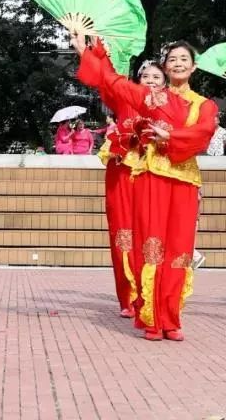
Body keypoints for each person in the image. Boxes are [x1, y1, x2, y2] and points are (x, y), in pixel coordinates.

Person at [74, 36, 217, 341]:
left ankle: (171, 319)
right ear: (166, 67)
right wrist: (86, 50)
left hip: (184, 180)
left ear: (193, 67)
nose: (178, 63)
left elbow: (203, 133)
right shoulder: (150, 98)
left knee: (179, 250)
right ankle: (151, 318)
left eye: (184, 59)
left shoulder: (205, 104)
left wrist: (170, 137)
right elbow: (112, 81)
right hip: (151, 176)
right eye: (173, 59)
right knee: (151, 246)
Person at [79, 49, 166, 318]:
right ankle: (128, 297)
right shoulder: (125, 98)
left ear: (165, 82)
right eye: (146, 75)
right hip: (122, 172)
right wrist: (91, 49)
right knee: (123, 234)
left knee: (151, 235)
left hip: (155, 174)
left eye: (156, 76)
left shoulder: (173, 104)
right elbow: (105, 78)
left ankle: (152, 295)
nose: (150, 79)